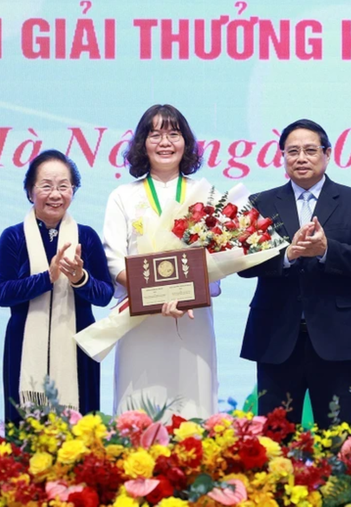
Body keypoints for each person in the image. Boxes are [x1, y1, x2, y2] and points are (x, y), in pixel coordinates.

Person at [239, 119, 351, 428]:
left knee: (336, 440)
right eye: (292, 151)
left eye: (310, 150)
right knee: (275, 441)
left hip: (338, 340)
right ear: (283, 158)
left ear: (327, 154)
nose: (301, 158)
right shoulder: (260, 203)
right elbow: (243, 265)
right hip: (276, 338)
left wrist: (328, 250)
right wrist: (287, 255)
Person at [103, 104, 221, 419]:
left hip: (192, 319)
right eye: (155, 134)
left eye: (173, 133)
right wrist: (155, 295)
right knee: (138, 410)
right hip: (140, 322)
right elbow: (113, 260)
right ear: (142, 143)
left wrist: (180, 294)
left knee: (194, 408)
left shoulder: (205, 192)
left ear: (186, 142)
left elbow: (219, 254)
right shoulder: (122, 196)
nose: (165, 142)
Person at [0, 150, 114, 424]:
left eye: (64, 186)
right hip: (23, 345)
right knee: (25, 433)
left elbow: (105, 294)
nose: (55, 194)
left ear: (74, 190)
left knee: (80, 436)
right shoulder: (13, 237)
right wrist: (46, 278)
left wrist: (79, 279)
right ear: (29, 191)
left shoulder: (86, 236)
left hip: (79, 346)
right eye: (46, 186)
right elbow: (2, 293)